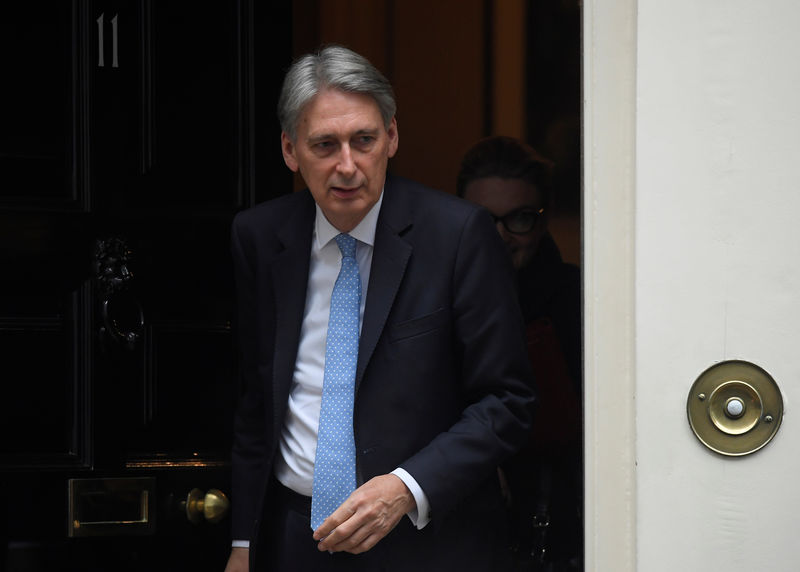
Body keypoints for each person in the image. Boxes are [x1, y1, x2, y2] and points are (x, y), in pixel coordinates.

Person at [223, 46, 536, 572]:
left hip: (426, 540)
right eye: (324, 144)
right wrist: (243, 543)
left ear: (391, 138)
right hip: (294, 540)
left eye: (363, 140)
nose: (347, 165)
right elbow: (258, 397)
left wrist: (406, 488)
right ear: (289, 150)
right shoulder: (259, 237)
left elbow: (508, 400)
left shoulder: (458, 235)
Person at [457, 136, 582, 570]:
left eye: (520, 219)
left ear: (543, 221)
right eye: (482, 219)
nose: (501, 236)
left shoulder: (578, 302)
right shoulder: (430, 299)